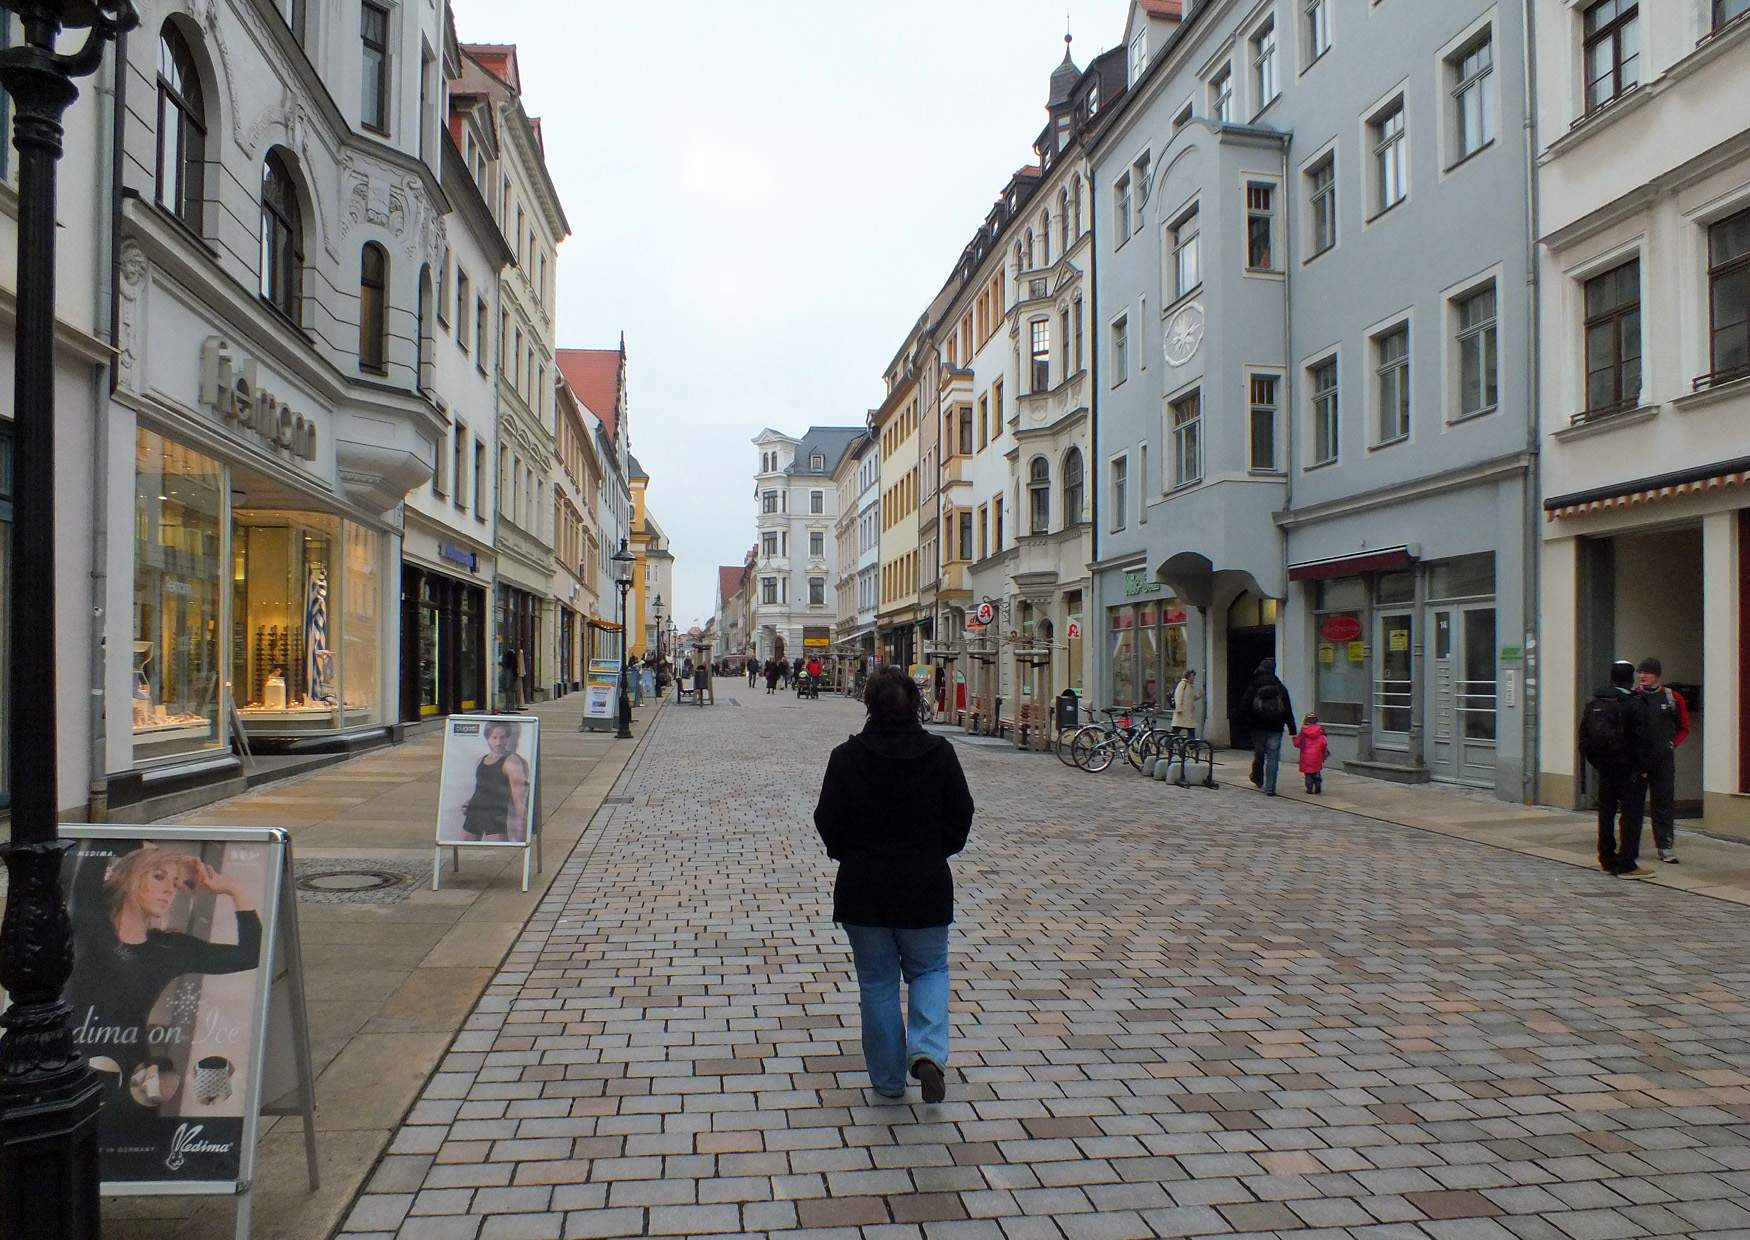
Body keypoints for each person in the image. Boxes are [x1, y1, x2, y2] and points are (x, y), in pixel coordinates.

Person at [813, 667, 974, 1103]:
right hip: (924, 885)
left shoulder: (846, 757)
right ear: (915, 705)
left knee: (878, 982)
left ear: (869, 705)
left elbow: (827, 819)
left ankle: (887, 1082)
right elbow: (961, 814)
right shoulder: (939, 753)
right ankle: (926, 1052)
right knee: (929, 969)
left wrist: (850, 853)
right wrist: (935, 850)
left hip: (864, 888)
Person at [67, 843, 263, 1153]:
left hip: (133, 1072)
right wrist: (151, 850)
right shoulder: (90, 924)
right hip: (68, 1063)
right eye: (158, 877)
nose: (169, 891)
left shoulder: (169, 948)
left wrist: (233, 890)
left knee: (127, 1152)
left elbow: (249, 955)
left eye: (173, 883)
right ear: (130, 879)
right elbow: (97, 848)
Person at [1580, 659, 1653, 879]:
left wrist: (1599, 763)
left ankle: (1606, 857)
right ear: (1630, 679)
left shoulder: (1595, 703)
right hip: (1629, 769)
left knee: (1606, 812)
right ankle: (1627, 863)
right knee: (1631, 816)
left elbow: (1584, 739)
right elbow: (1642, 739)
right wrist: (1643, 768)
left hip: (1605, 769)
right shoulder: (1633, 703)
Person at [1636, 657, 1691, 864]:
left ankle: (1665, 846)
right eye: (1640, 672)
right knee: (1633, 805)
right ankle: (1631, 847)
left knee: (1663, 804)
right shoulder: (1634, 698)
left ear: (1657, 675)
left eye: (1647, 673)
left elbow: (1684, 727)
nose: (1642, 676)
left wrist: (1672, 744)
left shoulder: (1672, 697)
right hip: (1638, 760)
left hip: (1663, 761)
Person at [460, 720, 531, 843]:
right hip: (475, 812)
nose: (498, 742)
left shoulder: (511, 762)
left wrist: (522, 831)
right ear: (487, 738)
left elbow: (519, 800)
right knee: (464, 848)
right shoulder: (481, 760)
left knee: (500, 852)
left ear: (508, 738)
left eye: (503, 737)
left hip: (496, 815)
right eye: (494, 738)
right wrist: (469, 801)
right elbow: (482, 788)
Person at [1243, 657, 1297, 795]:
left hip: (1257, 726)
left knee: (1259, 753)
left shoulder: (1254, 685)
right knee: (1273, 756)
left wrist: (1247, 723)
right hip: (1276, 727)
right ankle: (1270, 787)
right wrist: (1292, 728)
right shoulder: (1280, 687)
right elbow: (1287, 708)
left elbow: (1244, 706)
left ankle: (1257, 777)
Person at [1292, 713, 1329, 794]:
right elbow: (1324, 743)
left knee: (1308, 773)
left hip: (1306, 755)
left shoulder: (1303, 731)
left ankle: (1309, 788)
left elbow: (1298, 743)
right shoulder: (1320, 730)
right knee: (1316, 770)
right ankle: (1318, 780)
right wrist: (1324, 751)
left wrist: (1294, 738)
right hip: (1317, 755)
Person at [1169, 669, 1203, 739]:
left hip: (1187, 714)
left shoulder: (1190, 686)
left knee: (1190, 729)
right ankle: (1168, 744)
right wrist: (1178, 708)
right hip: (1182, 713)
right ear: (1188, 676)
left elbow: (1192, 697)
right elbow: (1178, 696)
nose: (1194, 678)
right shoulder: (1183, 684)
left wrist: (1200, 694)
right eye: (1193, 676)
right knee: (1177, 730)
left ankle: (1192, 746)